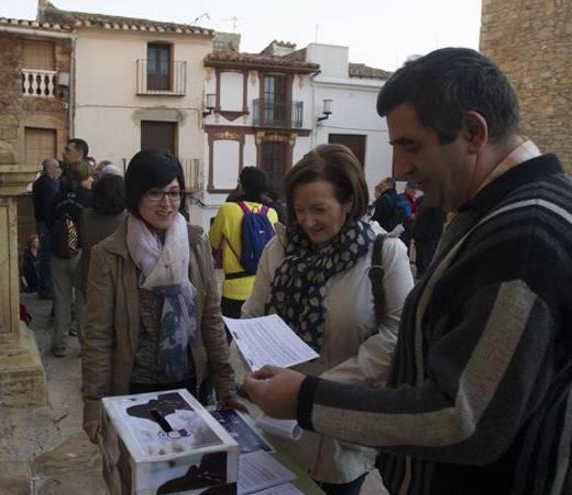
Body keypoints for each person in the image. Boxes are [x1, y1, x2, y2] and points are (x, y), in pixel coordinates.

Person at [243, 47, 572, 494]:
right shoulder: (501, 217)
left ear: (474, 133)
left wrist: (307, 397)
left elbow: (461, 417)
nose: (400, 169)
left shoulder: (523, 237)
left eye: (410, 146)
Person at [242, 144, 414, 494]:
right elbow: (252, 315)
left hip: (342, 434)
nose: (306, 221)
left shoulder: (385, 254)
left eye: (319, 209)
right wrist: (247, 374)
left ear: (349, 201)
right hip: (276, 429)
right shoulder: (280, 249)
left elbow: (396, 336)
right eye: (299, 209)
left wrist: (312, 391)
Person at [81, 150, 246, 443]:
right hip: (134, 386)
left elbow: (209, 317)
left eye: (174, 192)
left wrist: (225, 383)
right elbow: (98, 334)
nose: (167, 203)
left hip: (188, 380)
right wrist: (93, 402)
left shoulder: (196, 242)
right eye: (155, 193)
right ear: (135, 195)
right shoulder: (109, 254)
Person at [208, 166, 279, 318]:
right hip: (263, 291)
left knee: (233, 338)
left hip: (234, 291)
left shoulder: (227, 210)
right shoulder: (271, 213)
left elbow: (213, 242)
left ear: (241, 186)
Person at [47, 160, 93, 357]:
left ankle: (59, 344)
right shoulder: (89, 199)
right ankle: (84, 345)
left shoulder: (58, 197)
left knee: (61, 300)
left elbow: (47, 220)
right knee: (83, 302)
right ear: (84, 176)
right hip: (80, 254)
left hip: (58, 254)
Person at [76, 174, 126, 301]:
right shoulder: (128, 219)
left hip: (90, 272)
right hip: (120, 276)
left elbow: (82, 241)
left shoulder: (86, 216)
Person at [31, 158, 62, 299]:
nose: (58, 170)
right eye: (56, 167)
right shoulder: (47, 185)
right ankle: (46, 287)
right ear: (49, 169)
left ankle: (45, 286)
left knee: (45, 255)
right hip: (46, 224)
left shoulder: (41, 183)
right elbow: (51, 205)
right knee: (46, 256)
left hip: (42, 222)